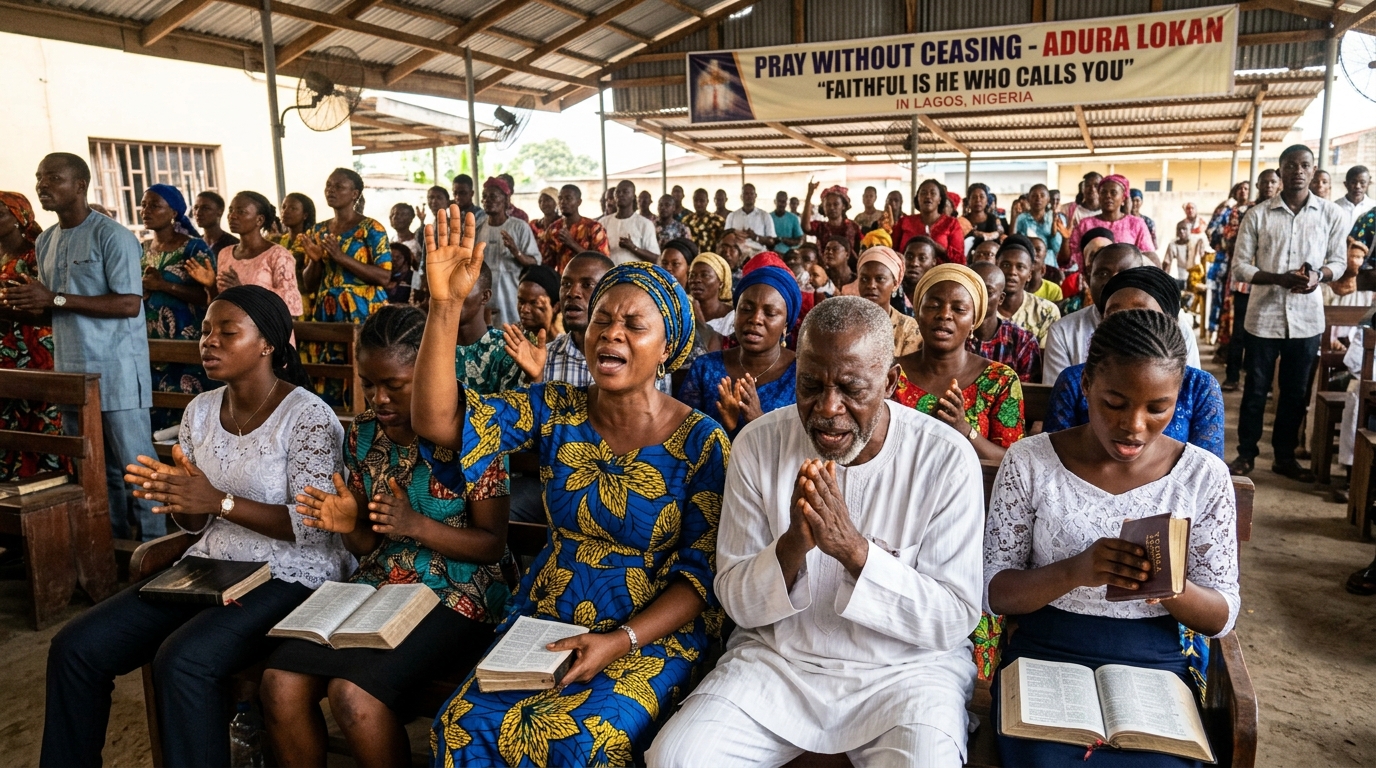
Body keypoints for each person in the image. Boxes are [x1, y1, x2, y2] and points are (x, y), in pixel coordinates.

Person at [415, 208, 728, 764]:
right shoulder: (557, 407)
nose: (611, 332)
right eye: (603, 319)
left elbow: (700, 578)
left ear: (668, 348)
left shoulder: (700, 441)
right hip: (550, 616)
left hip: (649, 632)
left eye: (634, 325)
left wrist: (617, 643)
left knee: (584, 744)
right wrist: (444, 307)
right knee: (461, 726)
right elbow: (440, 423)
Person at [649, 296, 984, 768]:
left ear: (888, 382)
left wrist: (854, 552)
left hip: (906, 675)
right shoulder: (758, 443)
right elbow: (737, 601)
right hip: (779, 664)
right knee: (678, 759)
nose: (828, 408)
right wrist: (791, 547)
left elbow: (953, 617)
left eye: (851, 388)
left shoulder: (945, 458)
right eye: (811, 385)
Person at [42, 286, 351, 766]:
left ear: (268, 342)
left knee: (183, 660)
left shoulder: (308, 416)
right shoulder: (200, 411)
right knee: (76, 647)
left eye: (228, 332)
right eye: (206, 331)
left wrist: (220, 501)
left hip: (290, 573)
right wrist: (179, 497)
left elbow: (315, 527)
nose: (209, 341)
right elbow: (193, 522)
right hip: (209, 566)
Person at [260, 305, 519, 768]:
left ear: (428, 372)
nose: (378, 399)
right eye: (368, 384)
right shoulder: (361, 435)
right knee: (279, 681)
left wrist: (415, 525)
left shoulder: (474, 430)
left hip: (460, 590)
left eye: (394, 386)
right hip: (380, 585)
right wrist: (350, 526)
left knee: (353, 695)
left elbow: (491, 546)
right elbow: (368, 547)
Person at [984, 308, 1240, 768]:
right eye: (1114, 403)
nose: (1133, 425)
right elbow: (995, 592)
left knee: (1160, 764)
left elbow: (1221, 615)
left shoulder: (1202, 476)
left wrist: (1170, 588)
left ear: (1177, 396)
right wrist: (1076, 570)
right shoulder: (1030, 461)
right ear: (1086, 387)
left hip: (1155, 660)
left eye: (1156, 408)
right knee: (1047, 761)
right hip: (1044, 652)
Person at [2, 153, 161, 539]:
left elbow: (128, 303)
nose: (42, 185)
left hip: (118, 369)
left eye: (53, 178)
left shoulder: (113, 235)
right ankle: (112, 546)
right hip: (71, 373)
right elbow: (54, 310)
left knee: (136, 467)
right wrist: (19, 307)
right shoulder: (47, 242)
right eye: (40, 178)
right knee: (93, 470)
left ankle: (157, 548)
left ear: (80, 185)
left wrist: (53, 298)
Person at [1229, 145, 1347, 480]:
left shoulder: (1330, 215)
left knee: (1296, 393)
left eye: (1305, 165)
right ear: (1280, 171)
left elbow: (1338, 262)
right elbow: (1240, 267)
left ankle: (1284, 457)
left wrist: (1317, 276)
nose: (1298, 171)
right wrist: (1279, 279)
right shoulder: (1258, 214)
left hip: (1307, 319)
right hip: (1263, 318)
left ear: (1313, 172)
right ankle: (1245, 454)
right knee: (1255, 390)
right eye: (1291, 165)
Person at [1046, 266, 1225, 458]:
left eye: (1157, 409)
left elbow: (1204, 468)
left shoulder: (1199, 387)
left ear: (1169, 321)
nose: (1128, 326)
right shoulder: (1074, 381)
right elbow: (1055, 456)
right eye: (1114, 403)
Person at [894, 263, 1024, 463]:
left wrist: (963, 428)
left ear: (974, 321)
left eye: (959, 309)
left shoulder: (999, 380)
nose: (944, 314)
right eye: (933, 306)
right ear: (918, 314)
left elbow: (1013, 460)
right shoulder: (890, 374)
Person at [1043, 243, 1202, 384]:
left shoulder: (1176, 327)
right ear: (1088, 278)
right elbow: (1059, 399)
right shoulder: (1063, 331)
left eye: (1125, 272)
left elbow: (1190, 390)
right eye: (1102, 273)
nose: (1113, 281)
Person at [300, 168, 391, 406]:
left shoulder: (372, 228)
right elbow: (309, 284)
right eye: (329, 185)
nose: (331, 190)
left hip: (364, 314)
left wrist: (342, 258)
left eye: (339, 186)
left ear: (355, 194)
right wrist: (316, 261)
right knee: (330, 375)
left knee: (365, 371)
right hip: (328, 314)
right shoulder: (318, 231)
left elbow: (384, 276)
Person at [677, 262, 799, 437]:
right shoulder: (705, 367)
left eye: (770, 313)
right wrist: (725, 427)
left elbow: (802, 449)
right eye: (746, 309)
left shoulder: (800, 374)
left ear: (786, 326)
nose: (755, 319)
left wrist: (758, 419)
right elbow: (683, 438)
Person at [140, 184, 215, 430]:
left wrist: (164, 286)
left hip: (186, 339)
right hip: (149, 341)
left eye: (154, 205)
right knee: (155, 412)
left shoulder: (194, 247)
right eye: (144, 204)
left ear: (173, 212)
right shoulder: (140, 249)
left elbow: (208, 296)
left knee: (188, 412)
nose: (146, 210)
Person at [0, 191, 63, 480]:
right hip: (4, 350)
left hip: (35, 348)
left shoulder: (36, 253)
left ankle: (46, 485)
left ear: (19, 218)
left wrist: (8, 312)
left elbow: (50, 308)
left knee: (38, 420)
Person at [186, 191, 302, 328]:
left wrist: (243, 290)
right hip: (233, 332)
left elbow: (291, 306)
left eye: (241, 212)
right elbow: (219, 303)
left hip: (268, 333)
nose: (232, 216)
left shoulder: (278, 255)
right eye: (231, 210)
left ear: (259, 220)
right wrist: (211, 285)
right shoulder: (225, 253)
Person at [476, 176, 540, 327]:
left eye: (493, 196)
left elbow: (535, 262)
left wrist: (515, 251)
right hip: (483, 299)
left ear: (506, 200)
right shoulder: (478, 228)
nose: (487, 200)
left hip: (511, 299)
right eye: (484, 197)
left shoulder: (519, 227)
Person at [968, 262, 1041, 384]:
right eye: (972, 290)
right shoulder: (953, 335)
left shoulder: (1022, 341)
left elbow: (1026, 394)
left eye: (988, 292)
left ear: (1001, 298)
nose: (978, 298)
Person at [1069, 174, 1157, 275]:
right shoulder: (1085, 224)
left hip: (1128, 281)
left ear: (1123, 198)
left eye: (1113, 192)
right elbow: (1075, 254)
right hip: (1093, 280)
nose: (1108, 196)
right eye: (1103, 192)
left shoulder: (1137, 224)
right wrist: (1086, 276)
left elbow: (1148, 255)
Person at [855, 245, 921, 357]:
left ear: (895, 284)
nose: (871, 285)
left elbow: (908, 372)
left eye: (880, 279)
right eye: (864, 279)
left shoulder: (909, 328)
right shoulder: (846, 322)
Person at [996, 235, 1061, 348]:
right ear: (996, 267)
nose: (1012, 272)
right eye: (1006, 265)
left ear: (1029, 275)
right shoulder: (981, 307)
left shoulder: (1047, 312)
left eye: (1020, 267)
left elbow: (1045, 359)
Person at [538, 183, 610, 270]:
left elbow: (602, 261)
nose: (563, 202)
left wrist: (571, 243)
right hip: (562, 281)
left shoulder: (593, 227)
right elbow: (547, 263)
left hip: (589, 279)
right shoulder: (554, 228)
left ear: (579, 202)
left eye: (568, 198)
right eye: (560, 198)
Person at [893, 179, 963, 261]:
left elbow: (960, 259)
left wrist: (939, 249)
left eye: (933, 193)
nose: (928, 196)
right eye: (923, 193)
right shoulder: (904, 222)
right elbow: (893, 252)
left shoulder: (951, 223)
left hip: (941, 272)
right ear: (917, 198)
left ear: (940, 199)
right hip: (907, 271)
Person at [602, 180, 661, 265]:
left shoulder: (645, 224)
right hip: (609, 274)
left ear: (633, 196)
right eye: (618, 192)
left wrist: (633, 248)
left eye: (625, 192)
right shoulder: (603, 222)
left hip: (635, 275)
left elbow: (656, 258)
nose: (621, 195)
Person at [277, 192, 316, 308]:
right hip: (280, 302)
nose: (286, 211)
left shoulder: (311, 241)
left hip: (305, 302)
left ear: (305, 215)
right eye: (284, 207)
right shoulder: (276, 241)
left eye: (293, 208)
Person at [801, 182, 862, 254]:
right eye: (828, 205)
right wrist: (809, 194)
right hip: (824, 265)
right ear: (823, 207)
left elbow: (861, 247)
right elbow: (806, 227)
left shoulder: (853, 226)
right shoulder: (820, 227)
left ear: (843, 206)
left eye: (836, 204)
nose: (832, 208)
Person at [1014, 184, 1064, 263]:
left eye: (1042, 195)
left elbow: (1057, 248)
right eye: (1034, 196)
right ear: (1029, 199)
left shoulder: (1055, 217)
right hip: (1027, 261)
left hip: (1049, 262)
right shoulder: (1022, 218)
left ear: (1048, 199)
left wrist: (1053, 233)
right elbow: (1017, 242)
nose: (1038, 199)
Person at [724, 183, 777, 257]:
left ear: (755, 196)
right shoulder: (732, 216)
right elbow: (725, 237)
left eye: (751, 194)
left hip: (759, 254)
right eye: (746, 194)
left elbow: (771, 241)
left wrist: (755, 237)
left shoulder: (765, 215)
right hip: (738, 255)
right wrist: (735, 234)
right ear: (741, 197)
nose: (749, 196)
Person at [514, 263, 561, 343]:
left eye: (534, 303)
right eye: (521, 301)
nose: (524, 309)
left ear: (555, 307)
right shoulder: (513, 339)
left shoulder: (564, 348)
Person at [688, 251, 735, 328]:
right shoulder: (682, 308)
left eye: (705, 275)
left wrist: (699, 320)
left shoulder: (731, 318)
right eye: (692, 275)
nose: (696, 280)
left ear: (721, 283)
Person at [900, 235, 940, 315]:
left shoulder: (938, 295)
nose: (914, 263)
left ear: (933, 262)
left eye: (922, 258)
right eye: (909, 257)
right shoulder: (892, 291)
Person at [960, 183, 1004, 251]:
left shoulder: (994, 219)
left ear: (987, 200)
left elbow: (1000, 231)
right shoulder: (962, 221)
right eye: (974, 197)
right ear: (969, 201)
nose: (978, 200)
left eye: (982, 197)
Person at [682, 188, 726, 254]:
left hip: (711, 258)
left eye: (702, 201)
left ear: (707, 201)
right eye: (696, 200)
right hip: (691, 258)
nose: (698, 204)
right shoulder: (686, 220)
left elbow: (722, 243)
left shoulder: (717, 220)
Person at [193, 191, 238, 255]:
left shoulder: (233, 245)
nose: (198, 213)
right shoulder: (193, 245)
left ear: (220, 211)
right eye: (196, 208)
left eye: (205, 208)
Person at [1024, 235, 1062, 303]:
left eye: (1037, 250)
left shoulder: (1053, 290)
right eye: (1029, 249)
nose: (1033, 253)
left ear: (1043, 270)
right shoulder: (1013, 287)